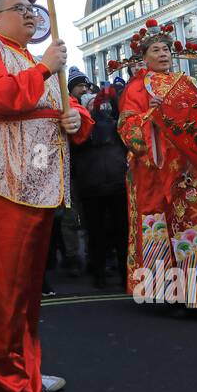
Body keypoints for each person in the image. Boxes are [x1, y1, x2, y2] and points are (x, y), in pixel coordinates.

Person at [0, 0, 91, 392]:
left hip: (42, 181)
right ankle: (8, 391)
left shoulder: (37, 60)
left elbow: (61, 110)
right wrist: (45, 68)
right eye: (21, 9)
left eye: (33, 9)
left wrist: (77, 120)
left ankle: (26, 371)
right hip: (5, 182)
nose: (31, 14)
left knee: (29, 289)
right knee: (6, 291)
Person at [118, 30, 197, 311]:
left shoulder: (184, 83)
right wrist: (150, 116)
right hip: (156, 172)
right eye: (155, 50)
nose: (163, 53)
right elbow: (128, 129)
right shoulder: (136, 89)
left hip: (191, 170)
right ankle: (167, 296)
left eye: (165, 48)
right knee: (162, 227)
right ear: (143, 58)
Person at [67, 68, 129, 289]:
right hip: (93, 185)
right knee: (98, 232)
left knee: (116, 232)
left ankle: (119, 272)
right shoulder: (79, 124)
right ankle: (102, 272)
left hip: (113, 182)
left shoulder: (114, 120)